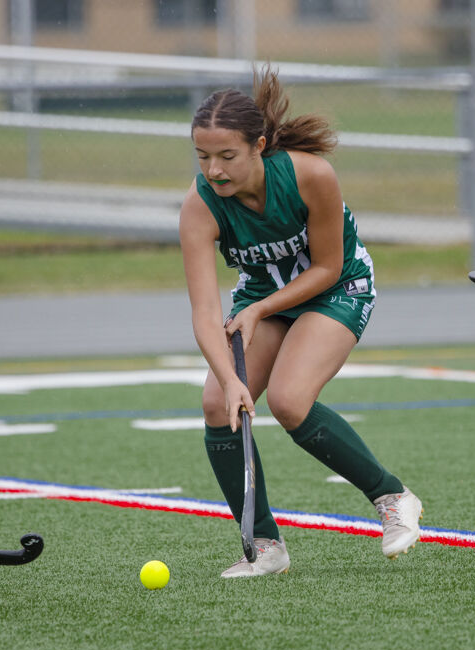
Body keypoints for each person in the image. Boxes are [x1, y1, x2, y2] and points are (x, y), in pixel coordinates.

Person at [179, 67, 423, 577]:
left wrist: (261, 309)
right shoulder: (200, 207)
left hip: (337, 287)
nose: (214, 170)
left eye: (227, 156)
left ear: (259, 146)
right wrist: (229, 381)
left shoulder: (310, 174)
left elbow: (328, 267)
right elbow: (204, 313)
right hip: (262, 298)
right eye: (203, 157)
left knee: (290, 401)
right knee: (214, 403)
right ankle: (265, 545)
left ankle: (392, 497)